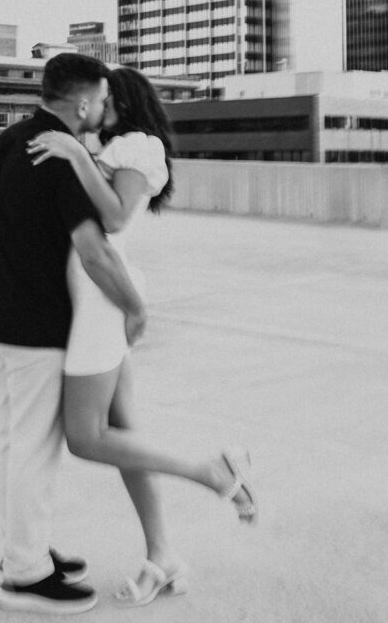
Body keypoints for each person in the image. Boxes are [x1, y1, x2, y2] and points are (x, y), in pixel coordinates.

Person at [26, 66, 257, 607]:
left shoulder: (139, 146)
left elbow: (114, 218)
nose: (97, 103)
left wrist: (77, 155)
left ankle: (210, 472)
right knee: (126, 437)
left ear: (120, 102)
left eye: (105, 95)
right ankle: (163, 556)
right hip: (90, 297)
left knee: (86, 437)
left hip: (102, 302)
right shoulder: (117, 146)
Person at [0, 53, 147, 614]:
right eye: (100, 99)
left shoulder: (11, 140)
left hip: (2, 313)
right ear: (81, 102)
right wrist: (135, 307)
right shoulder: (59, 157)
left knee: (16, 442)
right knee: (33, 449)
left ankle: (22, 551)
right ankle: (24, 575)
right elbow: (95, 251)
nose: (103, 109)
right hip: (37, 323)